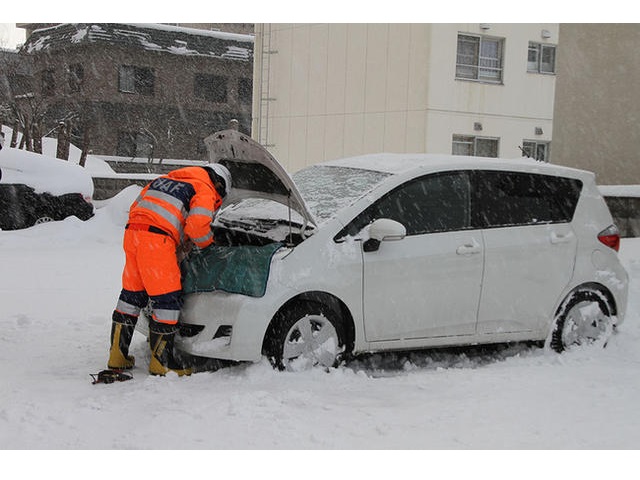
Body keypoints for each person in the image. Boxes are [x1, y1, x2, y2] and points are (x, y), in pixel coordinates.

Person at [107, 163, 232, 376]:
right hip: (156, 241)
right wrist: (209, 246)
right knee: (167, 300)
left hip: (133, 234)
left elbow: (138, 207)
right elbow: (197, 226)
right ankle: (162, 362)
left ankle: (117, 357)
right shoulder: (204, 188)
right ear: (218, 184)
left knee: (131, 296)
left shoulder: (162, 181)